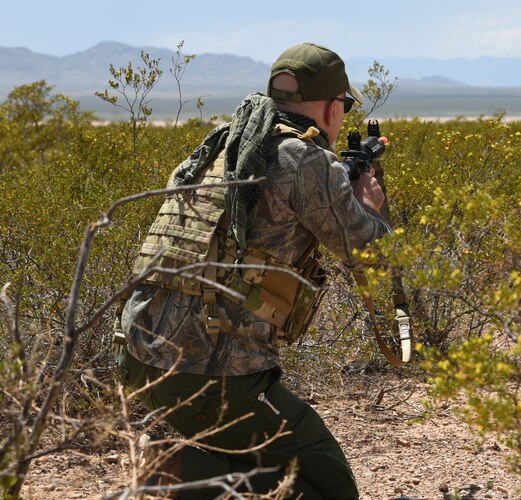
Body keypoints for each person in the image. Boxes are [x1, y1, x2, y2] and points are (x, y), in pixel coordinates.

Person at [115, 42, 390, 499]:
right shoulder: (304, 160)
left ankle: (188, 469)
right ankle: (175, 472)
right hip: (215, 377)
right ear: (329, 106)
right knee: (326, 487)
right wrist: (369, 205)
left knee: (247, 454)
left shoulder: (224, 143)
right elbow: (374, 256)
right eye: (343, 104)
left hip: (139, 358)